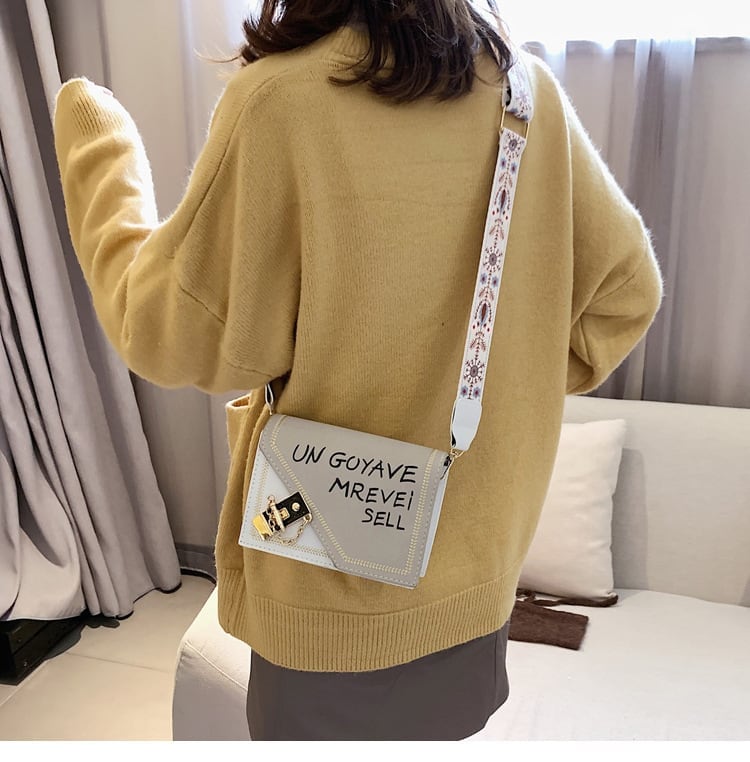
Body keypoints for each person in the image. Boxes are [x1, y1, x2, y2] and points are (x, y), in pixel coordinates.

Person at [53, 0, 664, 741]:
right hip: (473, 597)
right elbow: (627, 296)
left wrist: (101, 158)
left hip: (325, 596)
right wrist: (511, 383)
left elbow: (167, 337)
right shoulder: (524, 94)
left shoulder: (281, 102)